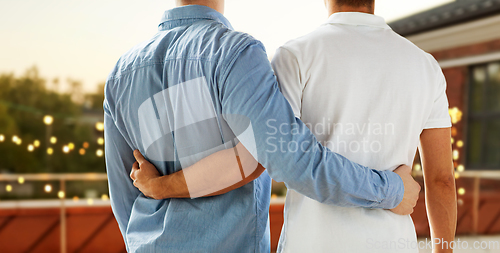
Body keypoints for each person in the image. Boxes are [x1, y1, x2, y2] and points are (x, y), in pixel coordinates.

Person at [104, 0, 420, 252]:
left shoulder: (120, 73)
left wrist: (158, 196)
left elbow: (124, 193)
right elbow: (288, 159)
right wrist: (392, 190)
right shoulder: (232, 53)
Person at [270, 0, 457, 252]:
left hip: (313, 244)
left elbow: (284, 162)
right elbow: (441, 180)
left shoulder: (294, 56)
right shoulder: (426, 66)